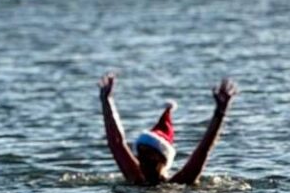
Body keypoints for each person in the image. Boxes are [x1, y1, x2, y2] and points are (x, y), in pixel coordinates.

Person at [99, 72, 238, 186]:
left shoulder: (181, 182)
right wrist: (106, 101)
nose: (142, 161)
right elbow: (116, 143)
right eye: (141, 155)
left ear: (162, 159)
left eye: (149, 157)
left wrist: (220, 113)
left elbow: (204, 149)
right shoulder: (135, 177)